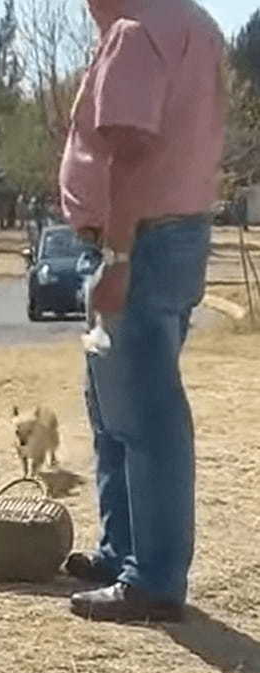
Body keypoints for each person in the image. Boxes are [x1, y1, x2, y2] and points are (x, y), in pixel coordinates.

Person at [59, 0, 225, 623]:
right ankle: (122, 550)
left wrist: (118, 255)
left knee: (146, 413)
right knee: (114, 406)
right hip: (171, 235)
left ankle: (150, 577)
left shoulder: (135, 32)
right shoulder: (195, 25)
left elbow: (130, 149)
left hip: (139, 241)